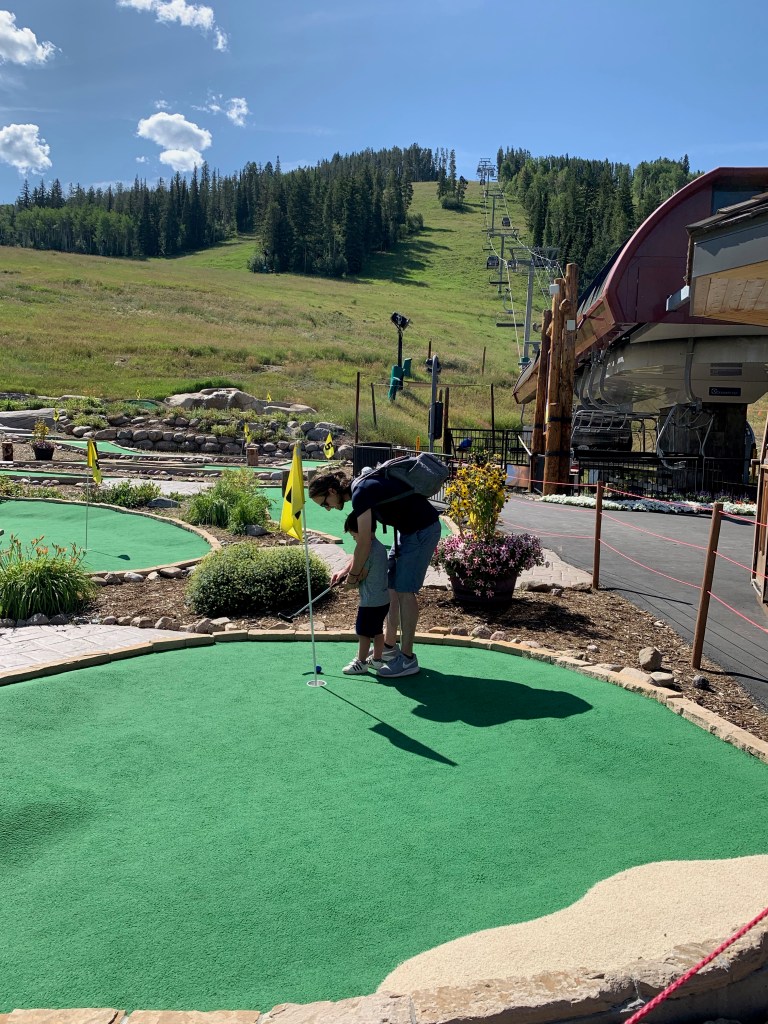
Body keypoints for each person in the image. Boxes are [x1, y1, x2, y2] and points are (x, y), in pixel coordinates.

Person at [308, 466, 441, 678]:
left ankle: (408, 659)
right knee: (392, 587)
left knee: (405, 590)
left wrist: (353, 576)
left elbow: (364, 543)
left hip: (421, 530)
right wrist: (346, 569)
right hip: (406, 532)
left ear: (332, 491)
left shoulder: (360, 493)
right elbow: (364, 542)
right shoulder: (360, 490)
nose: (327, 508)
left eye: (324, 503)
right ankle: (389, 647)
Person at [341, 511, 390, 675]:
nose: (354, 539)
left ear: (362, 531)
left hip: (370, 601)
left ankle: (361, 662)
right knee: (377, 631)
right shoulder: (380, 547)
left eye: (354, 536)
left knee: (363, 633)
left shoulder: (367, 550)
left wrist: (348, 584)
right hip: (383, 599)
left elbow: (361, 574)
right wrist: (345, 573)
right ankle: (376, 660)